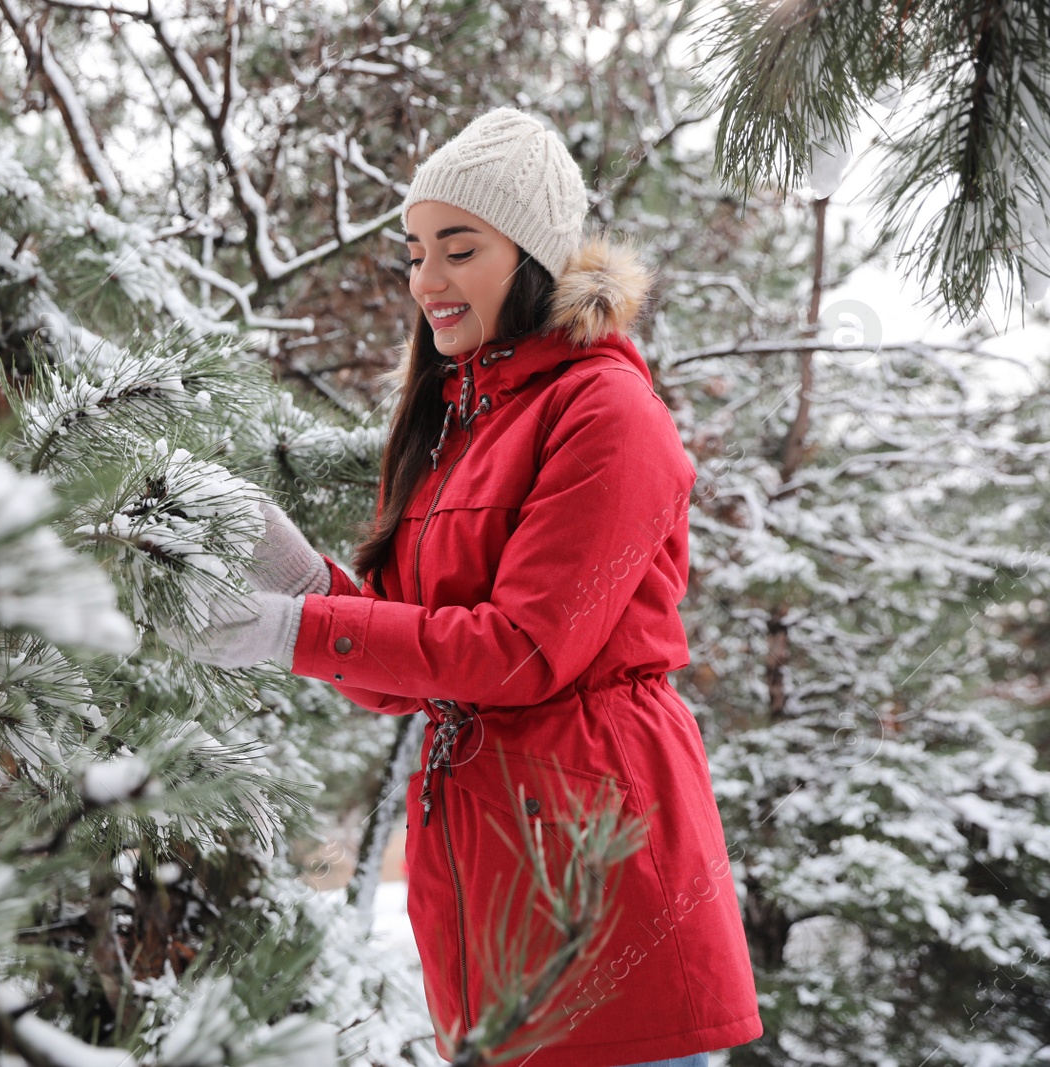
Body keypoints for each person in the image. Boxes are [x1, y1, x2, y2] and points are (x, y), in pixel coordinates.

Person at [159, 107, 764, 1067]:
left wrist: (291, 628)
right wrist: (301, 577)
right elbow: (415, 656)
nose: (426, 281)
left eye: (458, 248)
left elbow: (518, 651)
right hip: (492, 885)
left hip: (602, 884)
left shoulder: (608, 413)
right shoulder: (461, 420)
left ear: (530, 255)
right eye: (413, 253)